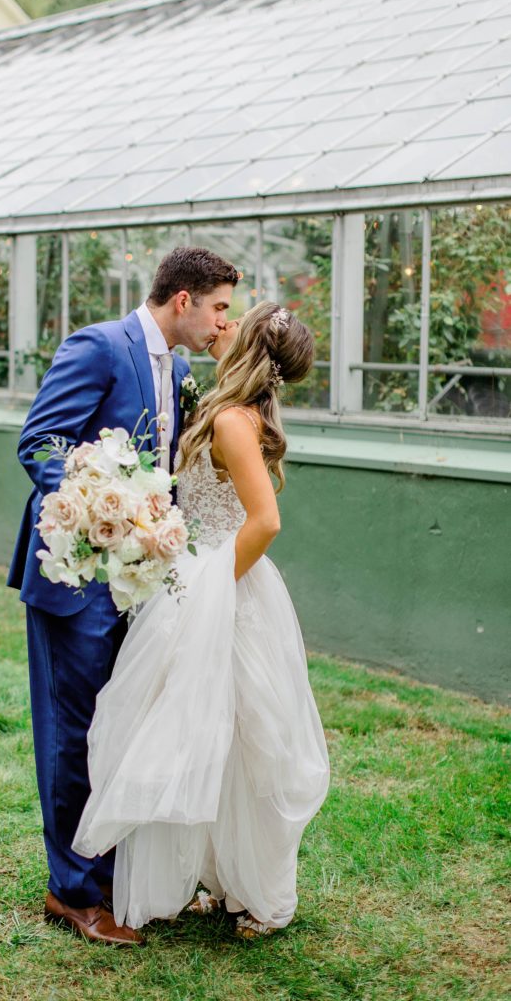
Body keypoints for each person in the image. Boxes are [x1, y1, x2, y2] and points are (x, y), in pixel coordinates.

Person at [72, 301, 331, 940]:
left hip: (225, 587)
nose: (223, 323)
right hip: (196, 573)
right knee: (202, 733)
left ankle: (261, 894)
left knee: (243, 740)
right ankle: (217, 877)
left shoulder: (236, 423)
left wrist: (209, 584)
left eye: (234, 320)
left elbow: (265, 521)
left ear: (248, 346)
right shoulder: (220, 408)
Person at [7, 246, 239, 946]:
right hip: (77, 575)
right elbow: (40, 443)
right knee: (71, 733)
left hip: (144, 580)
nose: (222, 320)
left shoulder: (188, 369)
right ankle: (72, 891)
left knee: (126, 725)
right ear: (181, 301)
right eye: (219, 307)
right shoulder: (98, 347)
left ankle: (119, 870)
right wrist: (103, 502)